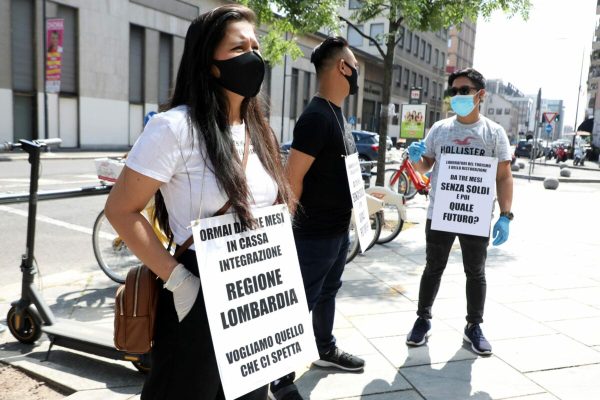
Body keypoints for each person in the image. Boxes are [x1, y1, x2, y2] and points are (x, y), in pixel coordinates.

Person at [104, 5, 293, 399]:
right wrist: (180, 282)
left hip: (256, 295)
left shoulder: (262, 133)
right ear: (210, 64)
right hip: (198, 294)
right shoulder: (174, 128)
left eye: (255, 46)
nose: (253, 56)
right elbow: (121, 209)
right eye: (239, 47)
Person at [270, 37, 365, 400]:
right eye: (354, 64)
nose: (357, 72)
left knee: (328, 292)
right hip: (313, 235)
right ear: (343, 67)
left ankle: (325, 350)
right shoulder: (315, 117)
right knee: (300, 301)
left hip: (339, 232)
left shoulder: (337, 112)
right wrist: (282, 233)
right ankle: (279, 376)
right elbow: (292, 178)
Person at [404, 68, 513, 356]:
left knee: (475, 272)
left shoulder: (494, 133)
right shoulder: (440, 129)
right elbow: (426, 165)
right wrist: (416, 160)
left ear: (480, 95)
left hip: (475, 215)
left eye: (464, 90)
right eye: (454, 91)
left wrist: (506, 215)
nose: (458, 96)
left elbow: (504, 176)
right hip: (441, 211)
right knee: (433, 268)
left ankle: (473, 327)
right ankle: (422, 319)